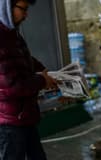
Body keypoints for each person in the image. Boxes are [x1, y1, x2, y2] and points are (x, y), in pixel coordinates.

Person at [0, 0, 57, 159]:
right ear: (6, 7)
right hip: (10, 121)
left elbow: (22, 58)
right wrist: (42, 80)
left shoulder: (11, 33)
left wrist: (43, 70)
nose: (26, 15)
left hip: (24, 115)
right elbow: (12, 86)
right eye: (23, 9)